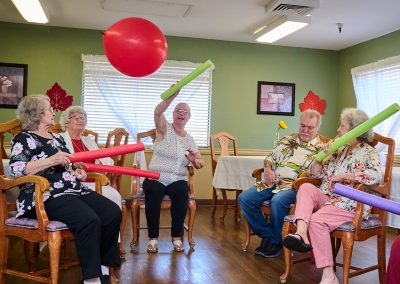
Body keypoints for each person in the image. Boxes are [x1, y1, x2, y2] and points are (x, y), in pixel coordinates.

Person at [9, 95, 121, 284]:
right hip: (45, 194)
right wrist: (51, 160)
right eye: (50, 109)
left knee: (112, 212)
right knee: (89, 220)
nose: (54, 112)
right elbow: (15, 169)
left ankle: (103, 267)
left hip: (73, 190)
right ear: (36, 114)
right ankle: (91, 278)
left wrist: (78, 172)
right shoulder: (25, 139)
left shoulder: (56, 139)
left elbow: (68, 165)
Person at [282, 108, 382, 284]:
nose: (338, 130)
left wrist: (347, 176)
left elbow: (376, 176)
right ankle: (301, 234)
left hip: (350, 204)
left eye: (342, 126)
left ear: (355, 130)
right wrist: (321, 157)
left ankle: (329, 276)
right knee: (306, 187)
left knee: (317, 220)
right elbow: (316, 174)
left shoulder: (369, 152)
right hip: (329, 199)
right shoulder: (339, 149)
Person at [238, 109, 324, 258]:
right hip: (274, 181)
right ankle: (267, 235)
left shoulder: (322, 148)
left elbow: (317, 175)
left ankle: (277, 243)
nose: (305, 130)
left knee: (277, 201)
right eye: (302, 126)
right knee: (244, 198)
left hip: (295, 186)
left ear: (317, 128)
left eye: (310, 127)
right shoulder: (288, 139)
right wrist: (268, 168)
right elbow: (270, 157)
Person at [143, 88, 204, 253]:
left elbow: (200, 163)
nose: (182, 113)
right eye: (178, 110)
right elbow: (157, 112)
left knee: (181, 192)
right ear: (173, 113)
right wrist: (173, 95)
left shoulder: (189, 139)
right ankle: (153, 238)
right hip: (156, 176)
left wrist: (193, 159)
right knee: (153, 190)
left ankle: (176, 237)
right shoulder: (164, 129)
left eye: (185, 112)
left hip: (177, 178)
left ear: (189, 117)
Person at [59, 105, 125, 256]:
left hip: (94, 182)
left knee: (114, 196)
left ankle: (114, 244)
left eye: (83, 118)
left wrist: (101, 166)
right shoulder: (60, 140)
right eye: (77, 118)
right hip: (75, 185)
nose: (81, 120)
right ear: (66, 122)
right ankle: (96, 243)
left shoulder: (89, 141)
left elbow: (108, 160)